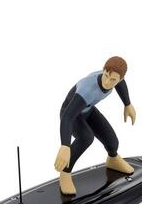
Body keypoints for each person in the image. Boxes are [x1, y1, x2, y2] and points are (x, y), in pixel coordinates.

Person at [54, 56, 136, 195]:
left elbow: (121, 84)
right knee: (86, 137)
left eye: (113, 80)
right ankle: (65, 172)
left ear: (119, 79)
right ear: (103, 70)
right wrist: (65, 145)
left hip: (87, 109)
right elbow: (67, 117)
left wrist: (127, 104)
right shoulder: (87, 90)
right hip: (71, 114)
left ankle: (113, 160)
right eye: (106, 76)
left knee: (112, 141)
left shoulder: (116, 79)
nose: (107, 82)